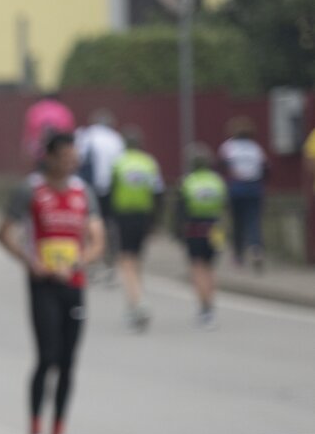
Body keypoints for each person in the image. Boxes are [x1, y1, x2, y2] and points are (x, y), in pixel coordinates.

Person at [0, 132, 105, 434]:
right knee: (47, 358)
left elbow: (97, 240)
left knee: (68, 362)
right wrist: (31, 262)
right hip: (42, 285)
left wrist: (79, 262)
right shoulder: (30, 190)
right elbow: (2, 232)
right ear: (51, 157)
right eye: (67, 157)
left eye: (75, 158)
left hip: (73, 284)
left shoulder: (83, 192)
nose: (72, 163)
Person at [107, 126, 164, 330]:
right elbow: (158, 193)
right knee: (136, 259)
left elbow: (110, 191)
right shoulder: (149, 162)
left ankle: (138, 302)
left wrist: (109, 218)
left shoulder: (118, 163)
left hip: (123, 216)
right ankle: (134, 302)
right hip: (144, 216)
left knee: (125, 260)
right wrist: (156, 222)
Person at [177, 143, 227, 328]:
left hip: (194, 228)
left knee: (197, 268)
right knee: (210, 268)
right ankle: (211, 306)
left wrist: (178, 234)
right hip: (215, 229)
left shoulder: (187, 182)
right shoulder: (217, 181)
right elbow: (224, 206)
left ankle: (204, 308)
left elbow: (180, 211)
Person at [75, 109, 125, 272]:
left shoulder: (87, 135)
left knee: (90, 220)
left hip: (90, 186)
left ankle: (90, 255)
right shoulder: (116, 138)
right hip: (111, 187)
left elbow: (78, 158)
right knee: (109, 222)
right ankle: (109, 257)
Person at [217, 117, 268, 271]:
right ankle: (256, 248)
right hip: (254, 187)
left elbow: (222, 165)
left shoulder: (229, 147)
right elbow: (266, 168)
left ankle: (238, 256)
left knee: (237, 223)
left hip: (236, 187)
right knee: (253, 220)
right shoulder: (255, 148)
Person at [22, 92, 76, 165]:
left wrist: (27, 149)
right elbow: (69, 131)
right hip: (59, 150)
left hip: (40, 151)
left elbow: (29, 134)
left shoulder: (36, 109)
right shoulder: (63, 109)